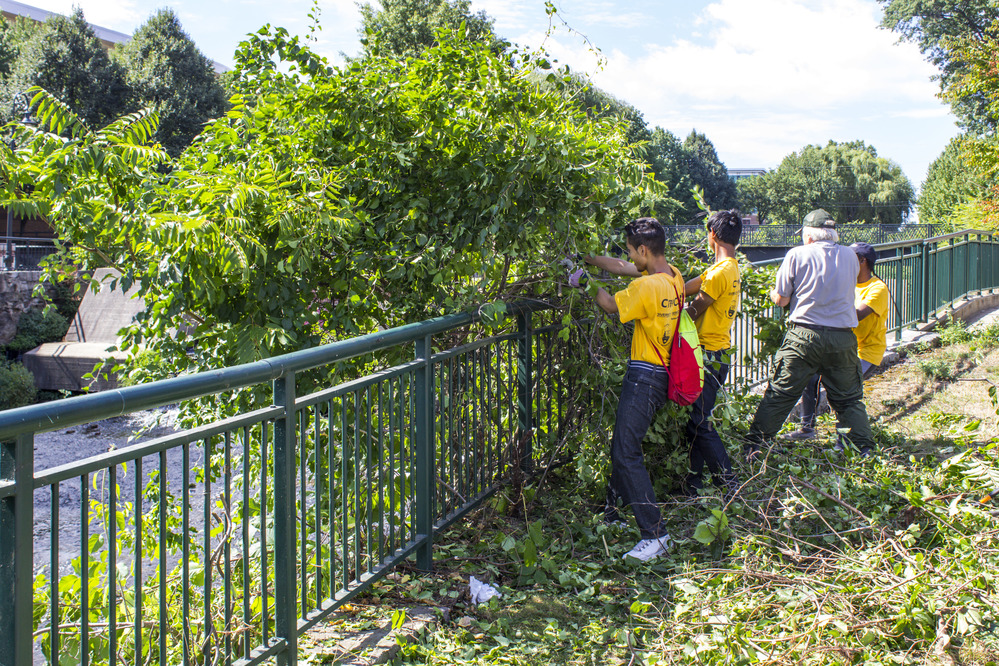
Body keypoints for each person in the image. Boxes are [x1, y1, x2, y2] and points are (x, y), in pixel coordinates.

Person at [574, 217, 684, 562]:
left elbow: (609, 304)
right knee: (626, 445)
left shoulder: (646, 288)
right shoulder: (673, 278)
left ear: (643, 250)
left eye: (632, 252)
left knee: (625, 450)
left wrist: (581, 281)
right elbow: (623, 268)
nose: (629, 258)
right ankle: (617, 512)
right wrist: (588, 258)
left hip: (645, 375)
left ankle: (655, 534)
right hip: (662, 372)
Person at [745, 209, 875, 456]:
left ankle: (755, 446)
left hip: (804, 335)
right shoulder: (850, 255)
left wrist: (775, 293)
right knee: (848, 398)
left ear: (809, 235)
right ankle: (862, 448)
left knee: (781, 393)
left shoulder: (796, 254)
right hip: (842, 336)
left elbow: (782, 299)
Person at [785, 242, 889, 441]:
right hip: (841, 347)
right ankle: (807, 429)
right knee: (810, 377)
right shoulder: (847, 282)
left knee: (841, 391)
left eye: (849, 258)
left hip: (865, 351)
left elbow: (855, 316)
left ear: (861, 261)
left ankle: (847, 441)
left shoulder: (878, 288)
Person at [682, 209, 742, 496]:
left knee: (699, 422)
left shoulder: (719, 273)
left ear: (713, 235)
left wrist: (668, 314)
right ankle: (692, 484)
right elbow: (684, 288)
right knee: (696, 419)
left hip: (708, 355)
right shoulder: (728, 268)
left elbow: (693, 310)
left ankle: (729, 484)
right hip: (718, 354)